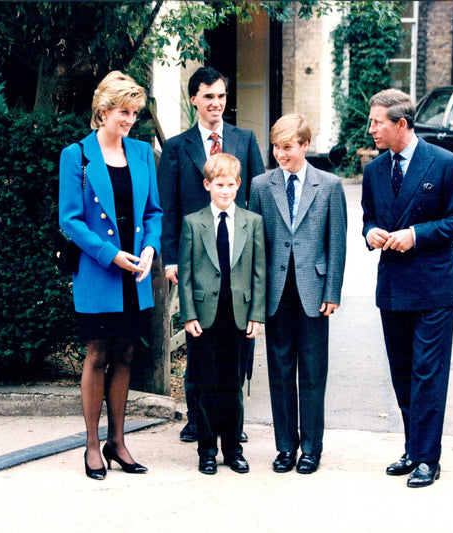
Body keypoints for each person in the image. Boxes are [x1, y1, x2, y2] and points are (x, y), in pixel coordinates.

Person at [361, 88, 453, 488]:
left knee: (428, 373)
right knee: (403, 371)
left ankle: (428, 459)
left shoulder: (444, 163)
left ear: (401, 124)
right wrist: (371, 231)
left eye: (377, 122)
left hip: (434, 289)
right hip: (393, 288)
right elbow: (369, 217)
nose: (371, 128)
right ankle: (413, 448)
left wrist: (416, 234)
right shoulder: (375, 171)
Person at [59, 71, 163, 480]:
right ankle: (90, 445)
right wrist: (109, 254)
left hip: (135, 271)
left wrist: (151, 247)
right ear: (103, 111)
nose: (131, 120)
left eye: (135, 113)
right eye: (124, 112)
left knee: (125, 355)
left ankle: (117, 442)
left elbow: (153, 212)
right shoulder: (77, 155)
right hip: (100, 270)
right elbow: (70, 220)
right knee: (97, 354)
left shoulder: (140, 152)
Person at [158, 66, 265, 442]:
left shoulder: (245, 139)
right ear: (194, 100)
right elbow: (167, 209)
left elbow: (259, 200)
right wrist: (170, 259)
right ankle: (195, 417)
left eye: (221, 96)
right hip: (195, 257)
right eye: (208, 97)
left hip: (236, 255)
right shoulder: (175, 148)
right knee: (198, 337)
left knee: (237, 344)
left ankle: (231, 422)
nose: (216, 103)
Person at [248, 114, 347, 475]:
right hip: (276, 293)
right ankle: (285, 447)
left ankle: (311, 449)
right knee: (279, 370)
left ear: (304, 146)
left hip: (314, 291)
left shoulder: (330, 185)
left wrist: (332, 290)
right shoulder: (261, 185)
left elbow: (336, 242)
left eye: (287, 147)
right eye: (275, 147)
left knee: (312, 372)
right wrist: (255, 298)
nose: (280, 154)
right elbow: (255, 246)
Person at [177, 153, 266, 475]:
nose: (225, 191)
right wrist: (188, 315)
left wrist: (256, 315)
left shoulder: (252, 222)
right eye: (219, 185)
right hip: (204, 316)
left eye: (230, 185)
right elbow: (185, 274)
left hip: (238, 315)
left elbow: (259, 272)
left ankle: (233, 449)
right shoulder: (193, 222)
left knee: (232, 384)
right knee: (204, 384)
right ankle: (206, 450)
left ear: (238, 185)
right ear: (207, 185)